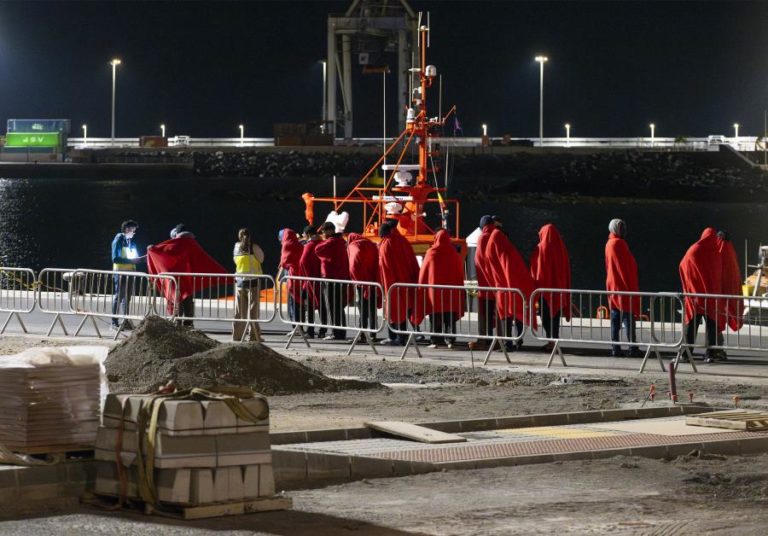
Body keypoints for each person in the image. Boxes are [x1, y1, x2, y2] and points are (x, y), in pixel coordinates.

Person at [147, 224, 227, 328]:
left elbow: (163, 252)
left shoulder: (175, 243)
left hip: (175, 277)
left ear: (177, 233)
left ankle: (177, 322)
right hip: (188, 277)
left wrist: (151, 249)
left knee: (177, 298)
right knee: (188, 298)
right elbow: (202, 258)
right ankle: (188, 323)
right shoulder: (192, 243)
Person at [485, 217, 536, 351]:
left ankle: (509, 343)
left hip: (504, 287)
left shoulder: (494, 241)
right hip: (510, 287)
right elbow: (508, 266)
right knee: (515, 312)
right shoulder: (502, 242)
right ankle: (516, 340)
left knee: (507, 315)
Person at [679, 227, 724, 362]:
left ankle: (686, 353)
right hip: (711, 298)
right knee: (712, 327)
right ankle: (711, 353)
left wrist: (689, 286)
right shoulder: (716, 252)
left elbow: (683, 266)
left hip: (695, 297)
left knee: (691, 326)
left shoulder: (694, 249)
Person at [378, 221, 423, 345]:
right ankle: (414, 332)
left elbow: (384, 266)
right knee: (407, 307)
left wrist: (384, 283)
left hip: (393, 283)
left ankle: (398, 338)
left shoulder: (385, 244)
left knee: (395, 309)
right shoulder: (402, 240)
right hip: (407, 280)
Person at [419, 229, 465, 348]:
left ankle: (435, 340)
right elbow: (459, 272)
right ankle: (450, 341)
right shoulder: (454, 253)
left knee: (435, 316)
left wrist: (421, 286)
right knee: (449, 316)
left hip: (435, 293)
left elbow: (423, 271)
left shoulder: (431, 252)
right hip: (450, 292)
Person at [530, 224, 571, 351]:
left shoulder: (540, 248)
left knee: (545, 315)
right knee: (555, 316)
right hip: (559, 290)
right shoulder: (561, 248)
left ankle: (550, 341)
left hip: (544, 290)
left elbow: (535, 269)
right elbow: (566, 269)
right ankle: (554, 341)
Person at [605, 218, 642, 357]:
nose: (623, 231)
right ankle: (632, 347)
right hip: (623, 286)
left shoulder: (609, 243)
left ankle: (615, 347)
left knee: (615, 318)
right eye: (621, 228)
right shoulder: (619, 244)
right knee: (628, 318)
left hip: (613, 285)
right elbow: (626, 266)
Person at [315, 221, 349, 340]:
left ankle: (336, 332)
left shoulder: (330, 242)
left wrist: (320, 240)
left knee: (332, 306)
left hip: (330, 278)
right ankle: (341, 332)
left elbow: (317, 250)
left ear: (329, 231)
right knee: (339, 306)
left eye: (324, 232)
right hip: (341, 278)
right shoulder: (341, 242)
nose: (323, 235)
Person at [110, 219, 146, 330]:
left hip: (130, 272)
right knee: (119, 296)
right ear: (126, 229)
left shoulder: (130, 241)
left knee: (127, 297)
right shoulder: (118, 239)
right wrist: (133, 261)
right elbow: (115, 258)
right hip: (120, 272)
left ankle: (125, 320)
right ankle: (114, 322)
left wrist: (140, 260)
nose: (134, 233)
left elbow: (132, 257)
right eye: (133, 230)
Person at [232, 227, 265, 342]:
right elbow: (261, 259)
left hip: (240, 282)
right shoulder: (254, 247)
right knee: (253, 311)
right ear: (249, 236)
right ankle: (254, 336)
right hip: (253, 282)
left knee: (239, 312)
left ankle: (237, 336)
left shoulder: (236, 247)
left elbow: (235, 261)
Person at [717, 230, 743, 361]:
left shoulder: (718, 251)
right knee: (716, 323)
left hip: (717, 295)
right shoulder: (731, 251)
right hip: (729, 293)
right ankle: (717, 349)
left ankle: (715, 350)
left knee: (715, 322)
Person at [347, 232, 380, 338]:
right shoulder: (371, 244)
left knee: (362, 309)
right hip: (373, 282)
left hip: (360, 283)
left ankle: (362, 333)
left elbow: (353, 265)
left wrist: (355, 279)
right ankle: (373, 333)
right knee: (372, 309)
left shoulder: (353, 245)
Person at [473, 215, 498, 349]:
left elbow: (479, 261)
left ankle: (484, 340)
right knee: (497, 314)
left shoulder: (482, 238)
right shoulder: (497, 236)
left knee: (484, 315)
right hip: (497, 285)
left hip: (485, 285)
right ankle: (500, 340)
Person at [299, 225, 324, 338]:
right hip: (322, 280)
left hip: (310, 280)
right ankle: (323, 331)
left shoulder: (309, 246)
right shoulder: (322, 244)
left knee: (309, 306)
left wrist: (304, 276)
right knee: (322, 306)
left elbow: (302, 262)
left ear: (308, 234)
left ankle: (310, 331)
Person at [277, 228, 303, 324]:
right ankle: (299, 324)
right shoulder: (299, 244)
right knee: (298, 301)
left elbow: (284, 262)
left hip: (291, 275)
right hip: (300, 275)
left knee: (292, 301)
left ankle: (295, 325)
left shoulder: (286, 245)